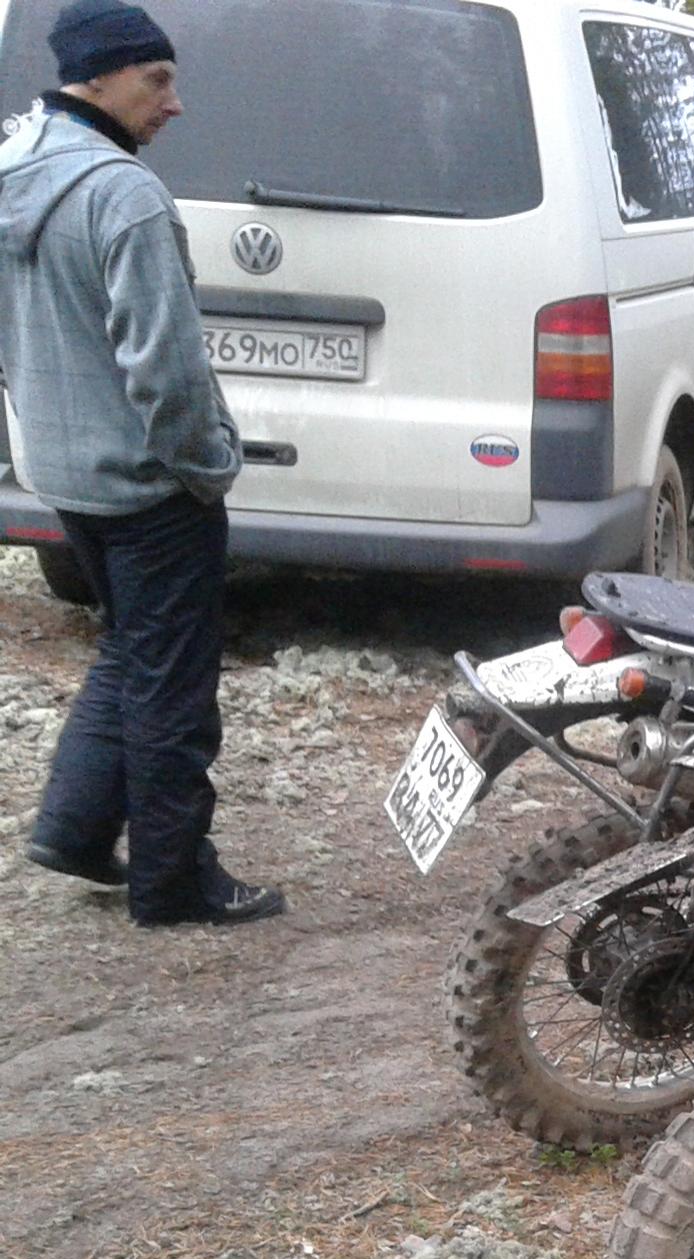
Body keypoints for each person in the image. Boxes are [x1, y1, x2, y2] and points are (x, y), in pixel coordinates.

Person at [4, 0, 281, 925]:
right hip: (148, 483)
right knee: (174, 687)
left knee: (131, 649)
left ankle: (75, 831)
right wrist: (208, 467)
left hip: (65, 471)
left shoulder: (13, 171)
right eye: (156, 80)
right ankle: (173, 882)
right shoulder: (122, 194)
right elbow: (166, 370)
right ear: (99, 77)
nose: (174, 102)